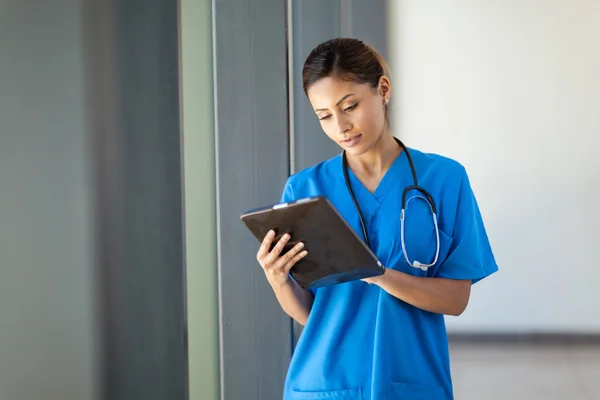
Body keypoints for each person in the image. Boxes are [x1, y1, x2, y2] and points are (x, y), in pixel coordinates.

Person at [255, 38, 498, 400]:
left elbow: (455, 299)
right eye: (324, 116)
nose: (340, 126)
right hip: (324, 385)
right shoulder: (305, 189)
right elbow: (311, 313)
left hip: (411, 382)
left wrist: (377, 274)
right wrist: (277, 280)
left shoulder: (445, 179)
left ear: (382, 89)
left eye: (349, 106)